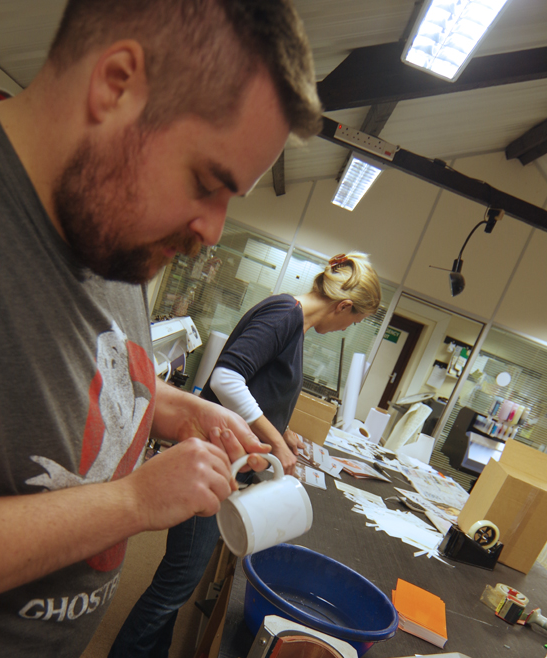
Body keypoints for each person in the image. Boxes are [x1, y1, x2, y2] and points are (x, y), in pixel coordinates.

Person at [0, 1, 323, 656]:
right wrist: (132, 504)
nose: (212, 232)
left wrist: (171, 406)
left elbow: (58, 362)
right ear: (116, 86)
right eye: (206, 181)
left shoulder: (106, 219)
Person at [110, 253, 381, 656]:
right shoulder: (284, 314)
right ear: (344, 305)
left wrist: (282, 429)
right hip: (212, 462)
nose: (347, 328)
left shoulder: (296, 326)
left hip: (228, 466)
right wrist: (273, 439)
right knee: (176, 584)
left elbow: (257, 386)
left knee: (180, 583)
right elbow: (226, 377)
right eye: (353, 321)